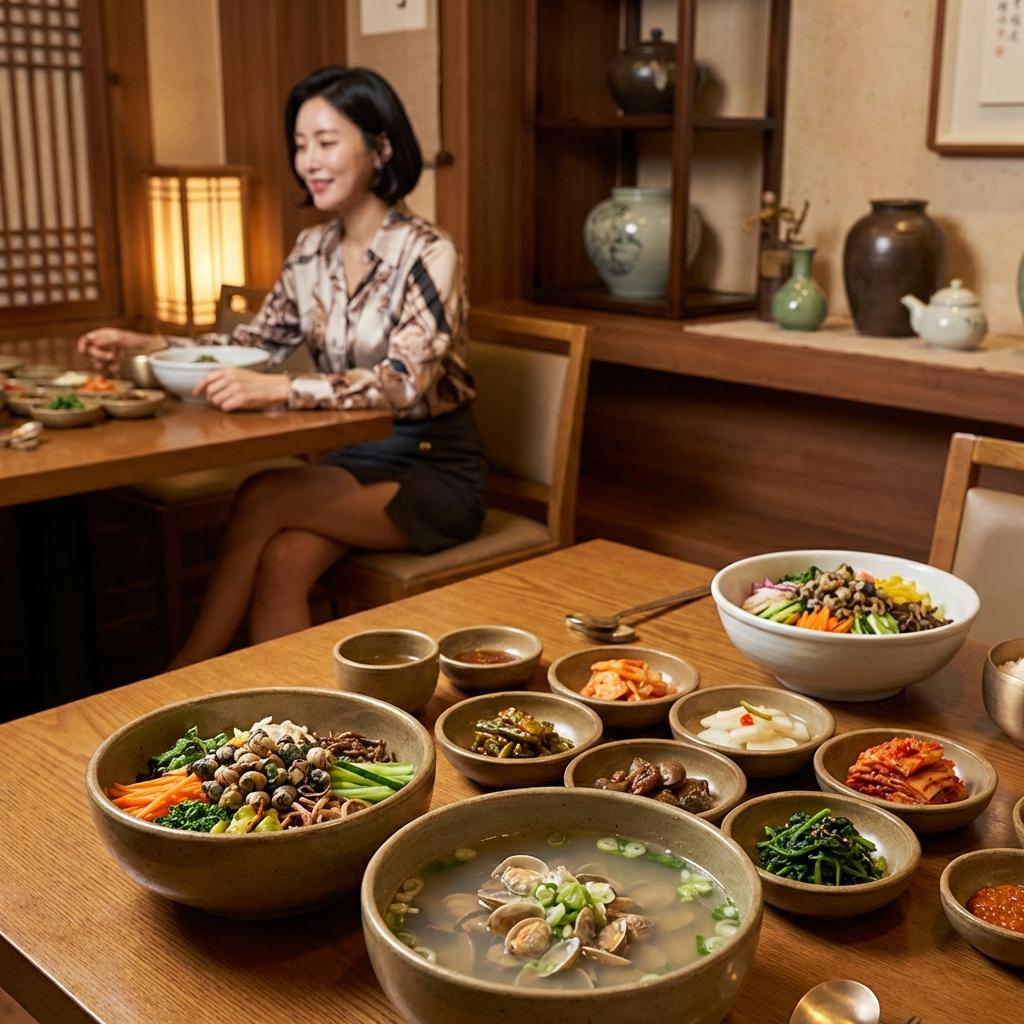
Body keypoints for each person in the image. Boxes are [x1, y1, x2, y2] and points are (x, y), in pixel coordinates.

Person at [80, 66, 487, 668]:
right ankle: (298, 738)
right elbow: (254, 342)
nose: (308, 161)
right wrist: (148, 345)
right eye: (300, 145)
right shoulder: (311, 251)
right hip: (354, 459)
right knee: (281, 560)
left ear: (380, 147)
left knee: (265, 493)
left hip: (434, 468)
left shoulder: (429, 252)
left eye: (326, 142)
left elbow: (404, 384)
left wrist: (282, 387)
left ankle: (184, 671)